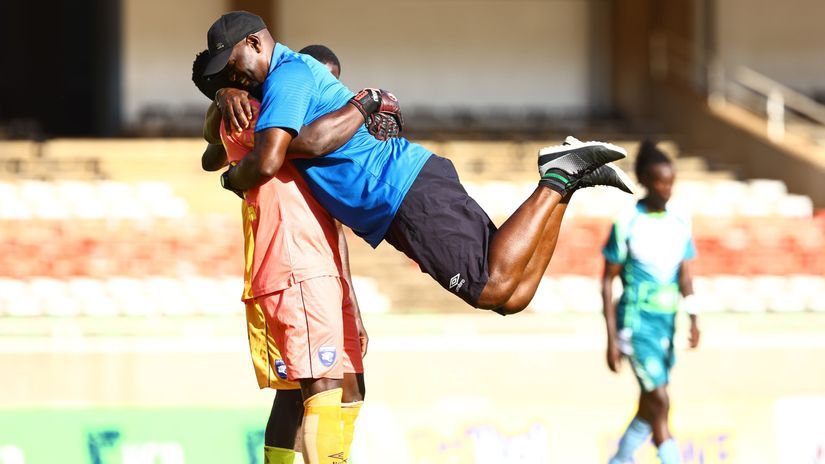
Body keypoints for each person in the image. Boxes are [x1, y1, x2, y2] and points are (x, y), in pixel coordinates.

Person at [202, 11, 634, 319]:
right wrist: (222, 97)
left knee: (492, 287)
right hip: (406, 190)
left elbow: (271, 159)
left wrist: (230, 181)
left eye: (235, 65)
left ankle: (557, 175)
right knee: (513, 297)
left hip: (401, 192)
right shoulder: (280, 79)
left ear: (255, 43)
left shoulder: (286, 76)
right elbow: (220, 147)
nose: (236, 76)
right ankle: (569, 181)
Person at [193, 44, 385, 464]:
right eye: (318, 81)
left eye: (332, 84)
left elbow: (335, 228)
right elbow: (213, 152)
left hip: (326, 267)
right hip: (291, 264)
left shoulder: (327, 135)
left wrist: (350, 300)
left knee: (351, 383)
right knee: (306, 391)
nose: (324, 92)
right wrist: (222, 97)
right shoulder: (268, 116)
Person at [601, 141, 701, 464]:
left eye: (671, 182)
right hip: (636, 324)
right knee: (661, 400)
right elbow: (607, 280)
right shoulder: (627, 221)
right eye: (660, 181)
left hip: (666, 324)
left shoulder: (680, 221)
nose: (667, 189)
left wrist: (694, 317)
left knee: (650, 403)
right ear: (644, 179)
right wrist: (611, 338)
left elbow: (685, 276)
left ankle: (619, 460)